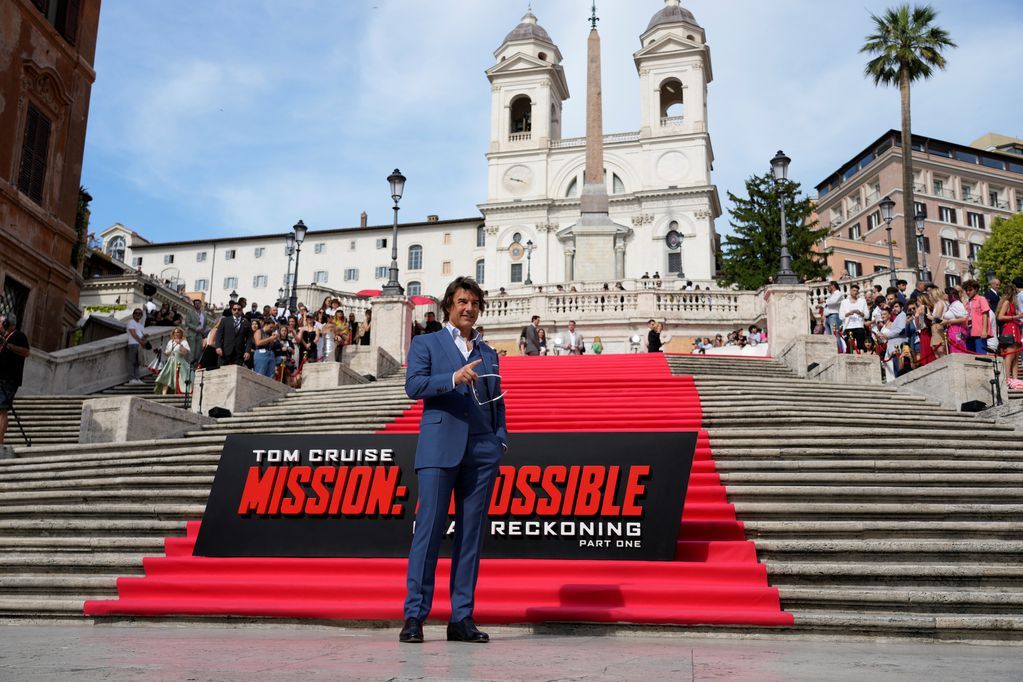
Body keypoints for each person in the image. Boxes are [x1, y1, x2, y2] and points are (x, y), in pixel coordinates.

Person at [399, 276, 507, 645]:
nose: (469, 308)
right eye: (463, 301)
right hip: (438, 447)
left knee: (470, 537)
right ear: (449, 305)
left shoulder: (489, 352)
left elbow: (498, 401)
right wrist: (453, 377)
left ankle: (462, 618)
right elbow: (414, 386)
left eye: (475, 303)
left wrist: (499, 441)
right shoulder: (426, 342)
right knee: (427, 534)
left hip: (481, 451)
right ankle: (414, 616)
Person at [0, 314, 31, 446]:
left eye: (0, 322)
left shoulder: (19, 336)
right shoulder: (5, 337)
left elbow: (26, 352)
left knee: (2, 409)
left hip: (9, 380)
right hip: (1, 378)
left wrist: (9, 346)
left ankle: (0, 442)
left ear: (7, 323)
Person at [996, 283, 1023, 388]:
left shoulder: (1012, 304)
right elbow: (1000, 316)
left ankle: (1015, 378)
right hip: (1009, 329)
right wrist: (1016, 317)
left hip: (1015, 327)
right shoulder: (1007, 302)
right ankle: (1008, 378)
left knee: (1016, 355)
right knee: (1010, 354)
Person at [154, 327, 192, 395]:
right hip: (170, 362)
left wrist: (180, 345)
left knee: (178, 378)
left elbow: (185, 353)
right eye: (175, 332)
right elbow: (168, 353)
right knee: (165, 377)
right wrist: (161, 352)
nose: (176, 334)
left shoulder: (184, 342)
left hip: (179, 362)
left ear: (181, 333)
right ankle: (164, 395)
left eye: (178, 332)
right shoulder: (170, 342)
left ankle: (177, 393)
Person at [215, 301, 253, 366]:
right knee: (222, 372)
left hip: (239, 353)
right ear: (231, 310)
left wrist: (247, 351)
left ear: (241, 311)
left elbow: (249, 339)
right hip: (225, 352)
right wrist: (218, 347)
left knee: (236, 373)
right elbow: (219, 335)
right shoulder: (225, 321)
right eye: (234, 309)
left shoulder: (247, 323)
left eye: (239, 309)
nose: (236, 311)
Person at [963, 280, 991, 355]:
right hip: (969, 331)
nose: (968, 292)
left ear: (976, 289)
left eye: (970, 290)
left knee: (981, 354)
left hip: (979, 331)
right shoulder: (967, 302)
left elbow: (985, 314)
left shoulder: (981, 299)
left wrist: (984, 330)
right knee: (971, 354)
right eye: (966, 290)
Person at [839, 284, 868, 351]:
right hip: (848, 326)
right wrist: (848, 314)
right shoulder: (844, 302)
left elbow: (867, 315)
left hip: (859, 326)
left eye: (857, 291)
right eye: (854, 290)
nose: (855, 292)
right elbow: (841, 316)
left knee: (860, 346)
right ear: (850, 291)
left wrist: (859, 313)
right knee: (849, 347)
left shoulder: (862, 301)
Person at [126, 308, 147, 384]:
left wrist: (144, 339)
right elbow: (133, 334)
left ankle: (137, 378)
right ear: (133, 314)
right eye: (136, 313)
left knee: (138, 362)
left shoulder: (141, 325)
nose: (138, 315)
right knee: (132, 361)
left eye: (140, 314)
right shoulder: (131, 322)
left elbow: (142, 335)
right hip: (133, 343)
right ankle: (132, 378)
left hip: (139, 344)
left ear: (141, 315)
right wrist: (141, 341)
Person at [184, 299, 208, 364]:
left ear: (201, 304)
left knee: (198, 352)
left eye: (198, 303)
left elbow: (205, 324)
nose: (197, 304)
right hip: (192, 334)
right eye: (196, 303)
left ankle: (195, 367)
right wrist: (195, 328)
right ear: (194, 304)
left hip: (200, 335)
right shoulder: (190, 312)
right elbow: (187, 323)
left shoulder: (204, 314)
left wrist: (204, 330)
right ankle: (189, 366)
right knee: (192, 351)